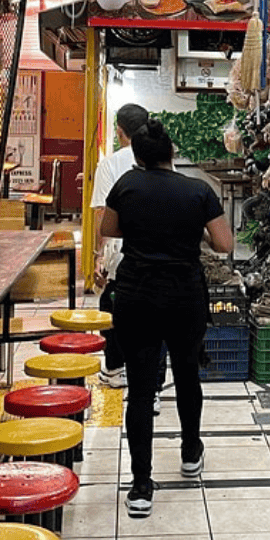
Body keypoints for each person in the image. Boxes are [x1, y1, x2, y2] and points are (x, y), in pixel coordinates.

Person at [101, 118, 234, 518]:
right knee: (188, 374)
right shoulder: (198, 190)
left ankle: (141, 487)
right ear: (171, 153)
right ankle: (190, 452)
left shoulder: (125, 185)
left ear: (137, 156)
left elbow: (108, 231)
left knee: (140, 390)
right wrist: (195, 234)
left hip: (136, 296)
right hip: (183, 296)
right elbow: (225, 244)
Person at [91, 104, 147, 391]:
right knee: (146, 313)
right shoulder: (160, 161)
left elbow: (102, 212)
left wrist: (98, 255)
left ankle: (114, 369)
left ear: (120, 131)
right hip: (152, 250)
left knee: (110, 308)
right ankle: (146, 378)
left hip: (120, 251)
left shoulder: (110, 164)